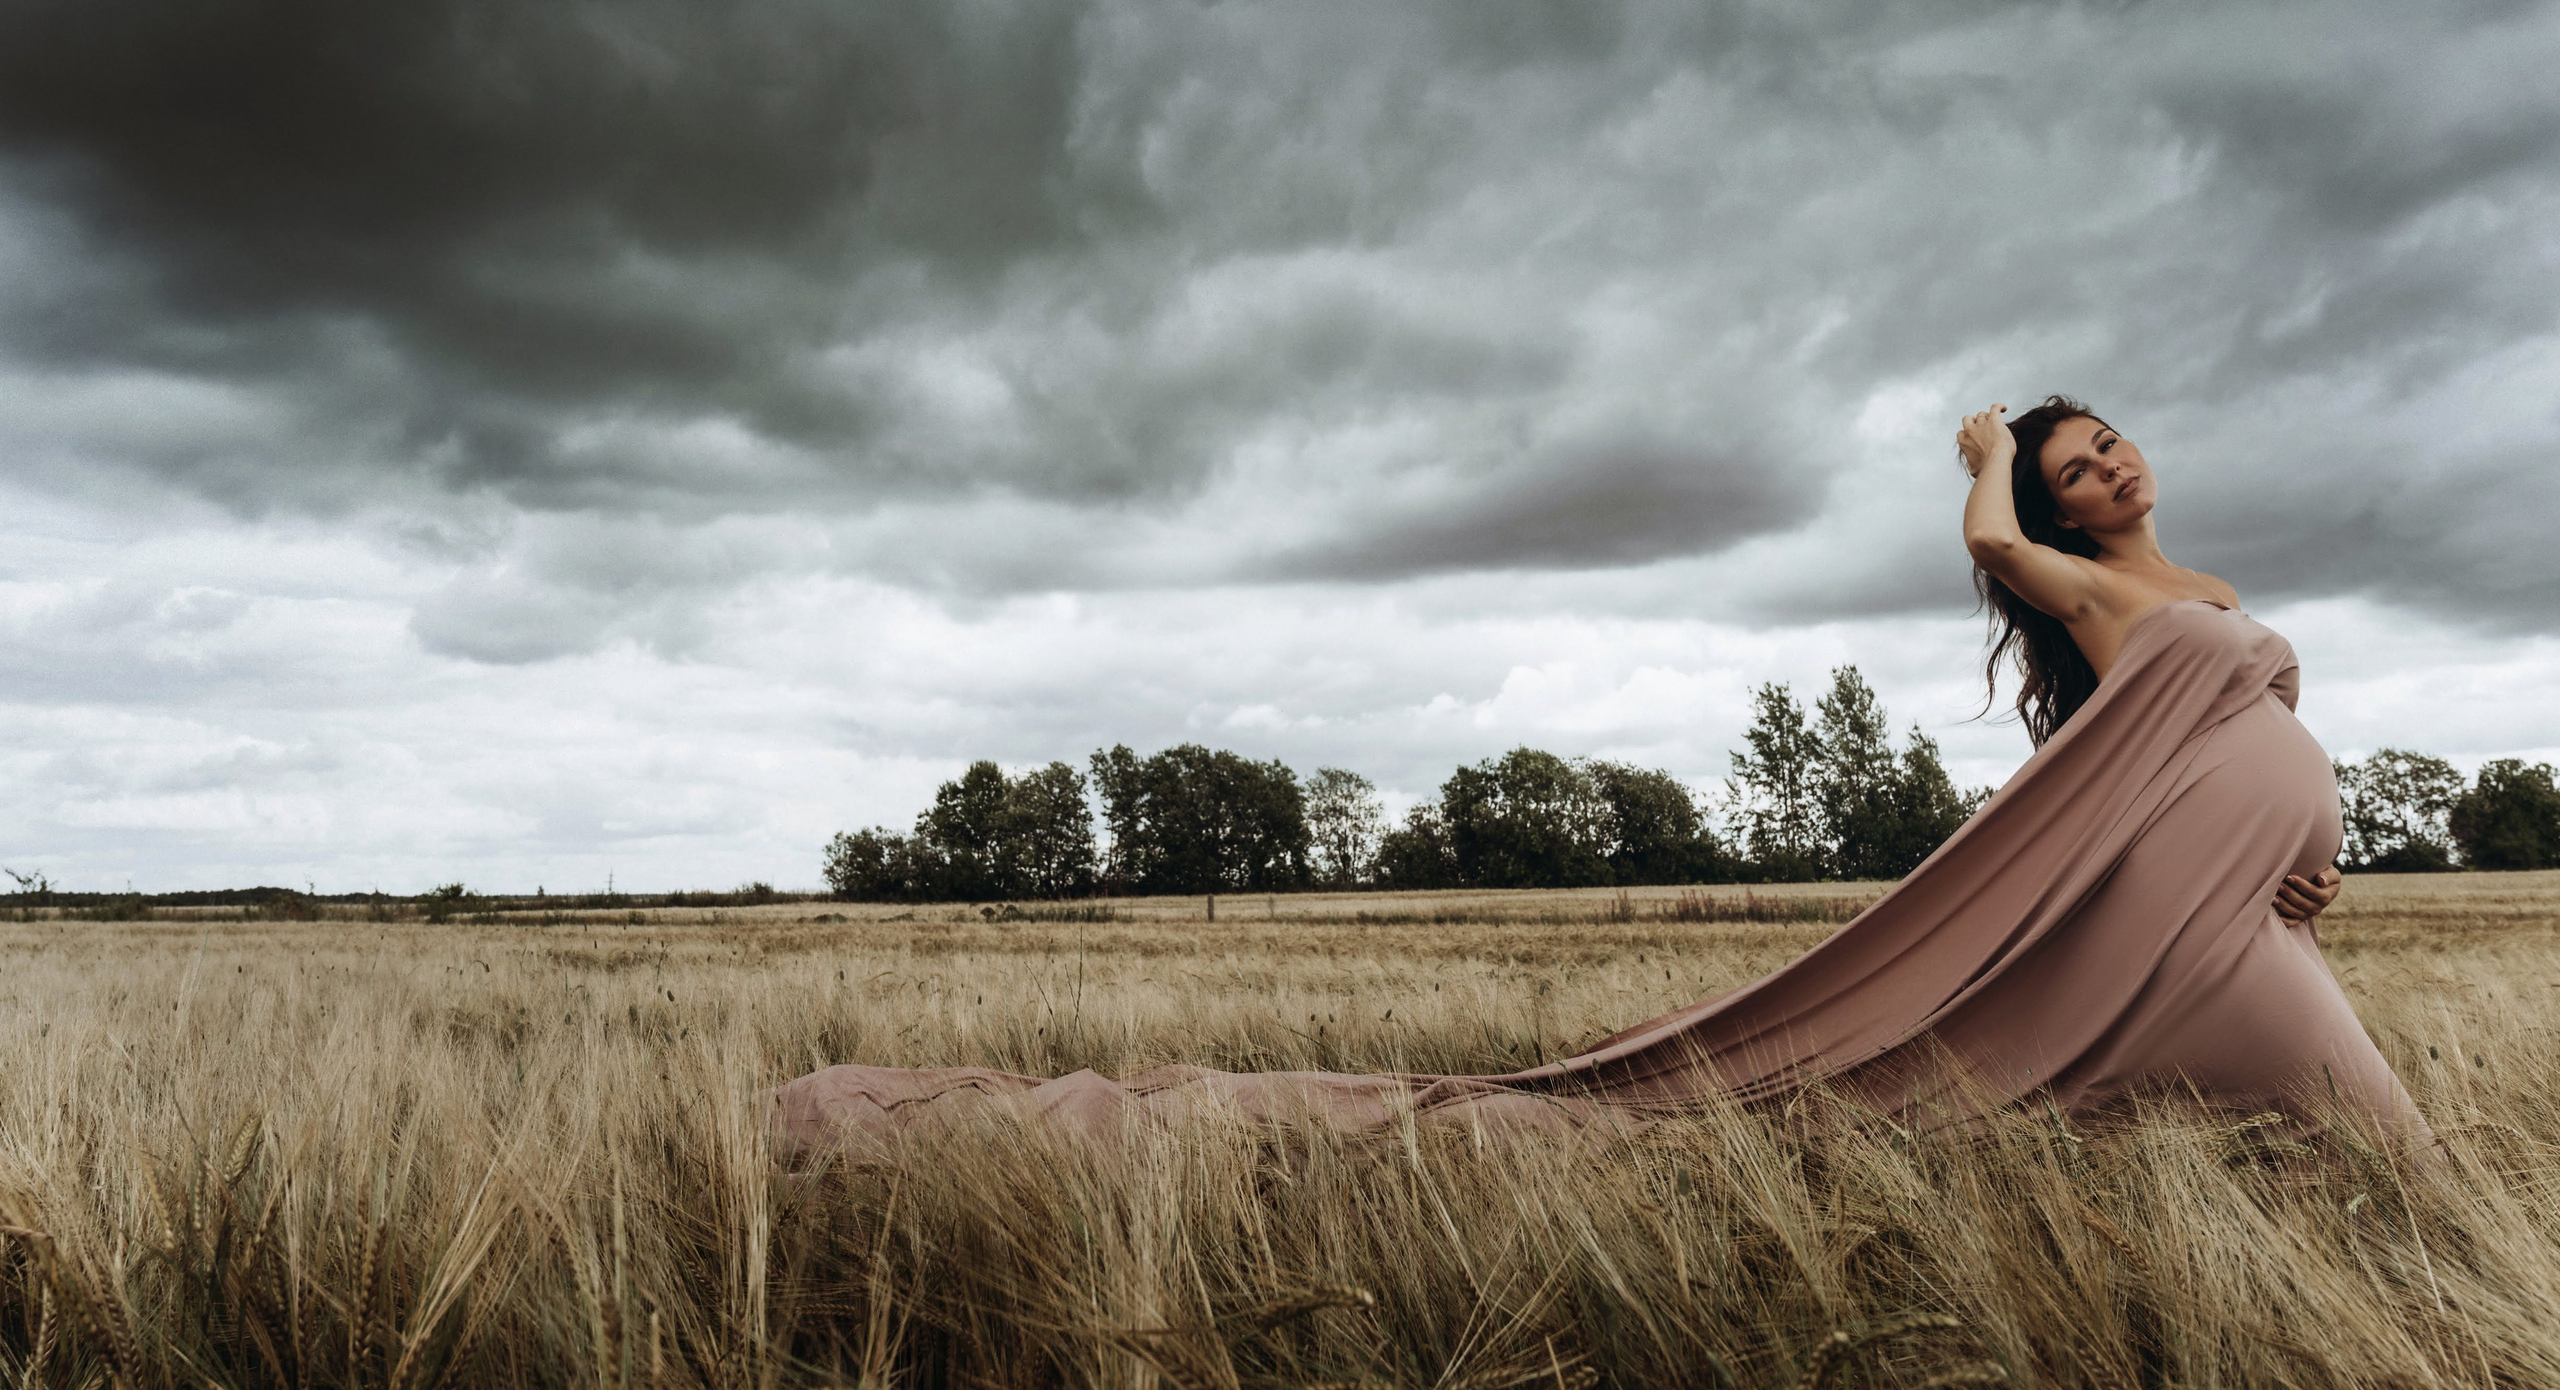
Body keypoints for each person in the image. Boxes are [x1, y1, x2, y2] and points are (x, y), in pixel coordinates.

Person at [768, 396, 2425, 1158]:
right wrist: (1987, 458)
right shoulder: (2093, 587)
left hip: (2238, 917)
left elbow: (2223, 760)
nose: (2109, 467)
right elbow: (1988, 541)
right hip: (2173, 933)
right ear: (2067, 519)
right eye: (2081, 470)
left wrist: (2305, 855)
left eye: (2106, 445)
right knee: (2393, 1161)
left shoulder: (2203, 594)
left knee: (2319, 1157)